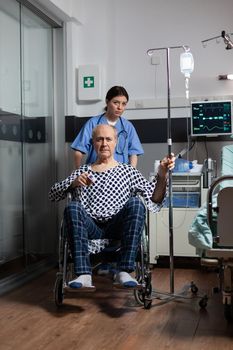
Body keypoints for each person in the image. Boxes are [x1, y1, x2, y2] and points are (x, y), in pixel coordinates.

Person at [49, 125, 175, 289]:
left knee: (136, 204)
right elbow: (53, 194)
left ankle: (124, 271)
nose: (104, 144)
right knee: (72, 207)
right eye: (99, 139)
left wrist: (162, 174)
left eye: (108, 139)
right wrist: (72, 183)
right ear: (93, 143)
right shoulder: (83, 171)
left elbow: (155, 198)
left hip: (118, 226)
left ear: (116, 142)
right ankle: (83, 274)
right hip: (91, 227)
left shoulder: (127, 171)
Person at [71, 86, 144, 168]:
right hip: (96, 172)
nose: (120, 107)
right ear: (107, 101)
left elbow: (133, 153)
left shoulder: (127, 126)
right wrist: (78, 172)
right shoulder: (93, 123)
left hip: (120, 175)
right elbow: (79, 150)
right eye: (116, 102)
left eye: (123, 104)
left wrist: (131, 173)